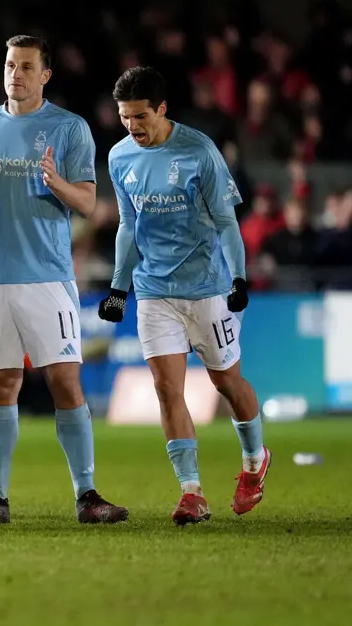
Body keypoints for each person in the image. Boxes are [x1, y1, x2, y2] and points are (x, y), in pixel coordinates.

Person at [0, 35, 128, 525]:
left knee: (65, 382)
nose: (17, 73)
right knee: (0, 384)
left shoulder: (68, 128)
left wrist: (57, 184)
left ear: (45, 74)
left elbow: (89, 204)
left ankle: (87, 493)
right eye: (11, 64)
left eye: (27, 66)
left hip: (46, 277)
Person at [100, 66, 270, 525]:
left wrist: (238, 277)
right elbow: (127, 225)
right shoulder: (120, 157)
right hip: (154, 292)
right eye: (124, 118)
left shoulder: (199, 152)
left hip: (207, 290)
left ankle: (255, 461)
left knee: (226, 384)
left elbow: (226, 222)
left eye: (139, 117)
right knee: (166, 388)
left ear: (161, 109)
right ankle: (191, 492)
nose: (132, 127)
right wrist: (119, 287)